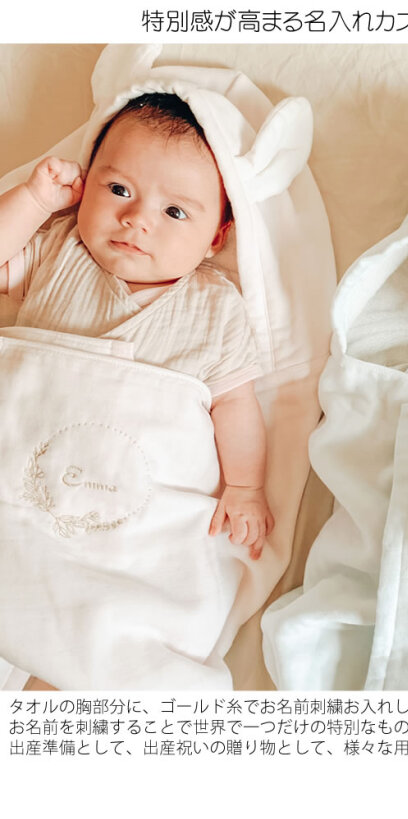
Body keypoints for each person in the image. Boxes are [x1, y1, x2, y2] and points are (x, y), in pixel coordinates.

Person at [0, 92, 274, 558]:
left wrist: (246, 486)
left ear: (217, 236)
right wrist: (34, 200)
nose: (136, 219)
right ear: (86, 183)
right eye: (119, 189)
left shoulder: (215, 306)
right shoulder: (59, 252)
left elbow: (234, 402)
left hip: (125, 505)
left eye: (174, 211)